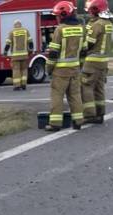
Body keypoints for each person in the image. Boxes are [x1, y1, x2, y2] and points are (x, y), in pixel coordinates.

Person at [45, 1, 85, 131]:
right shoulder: (81, 28)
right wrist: (81, 66)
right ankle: (78, 121)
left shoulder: (60, 29)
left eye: (57, 15)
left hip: (60, 71)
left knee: (57, 96)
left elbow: (53, 53)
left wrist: (49, 69)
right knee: (75, 95)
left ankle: (55, 124)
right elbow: (84, 51)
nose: (56, 18)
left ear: (63, 15)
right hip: (75, 69)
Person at [81, 0, 113, 124]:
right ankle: (100, 113)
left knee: (86, 86)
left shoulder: (97, 24)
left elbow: (89, 43)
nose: (89, 13)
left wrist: (80, 49)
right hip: (103, 61)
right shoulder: (108, 23)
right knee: (99, 88)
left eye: (90, 11)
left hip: (92, 60)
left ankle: (89, 115)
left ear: (96, 10)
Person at [4, 21, 33, 91]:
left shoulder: (12, 32)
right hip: (24, 55)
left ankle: (17, 86)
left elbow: (8, 44)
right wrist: (30, 51)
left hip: (15, 56)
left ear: (14, 25)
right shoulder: (26, 31)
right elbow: (30, 42)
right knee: (24, 70)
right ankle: (24, 84)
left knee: (16, 70)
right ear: (20, 25)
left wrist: (5, 52)